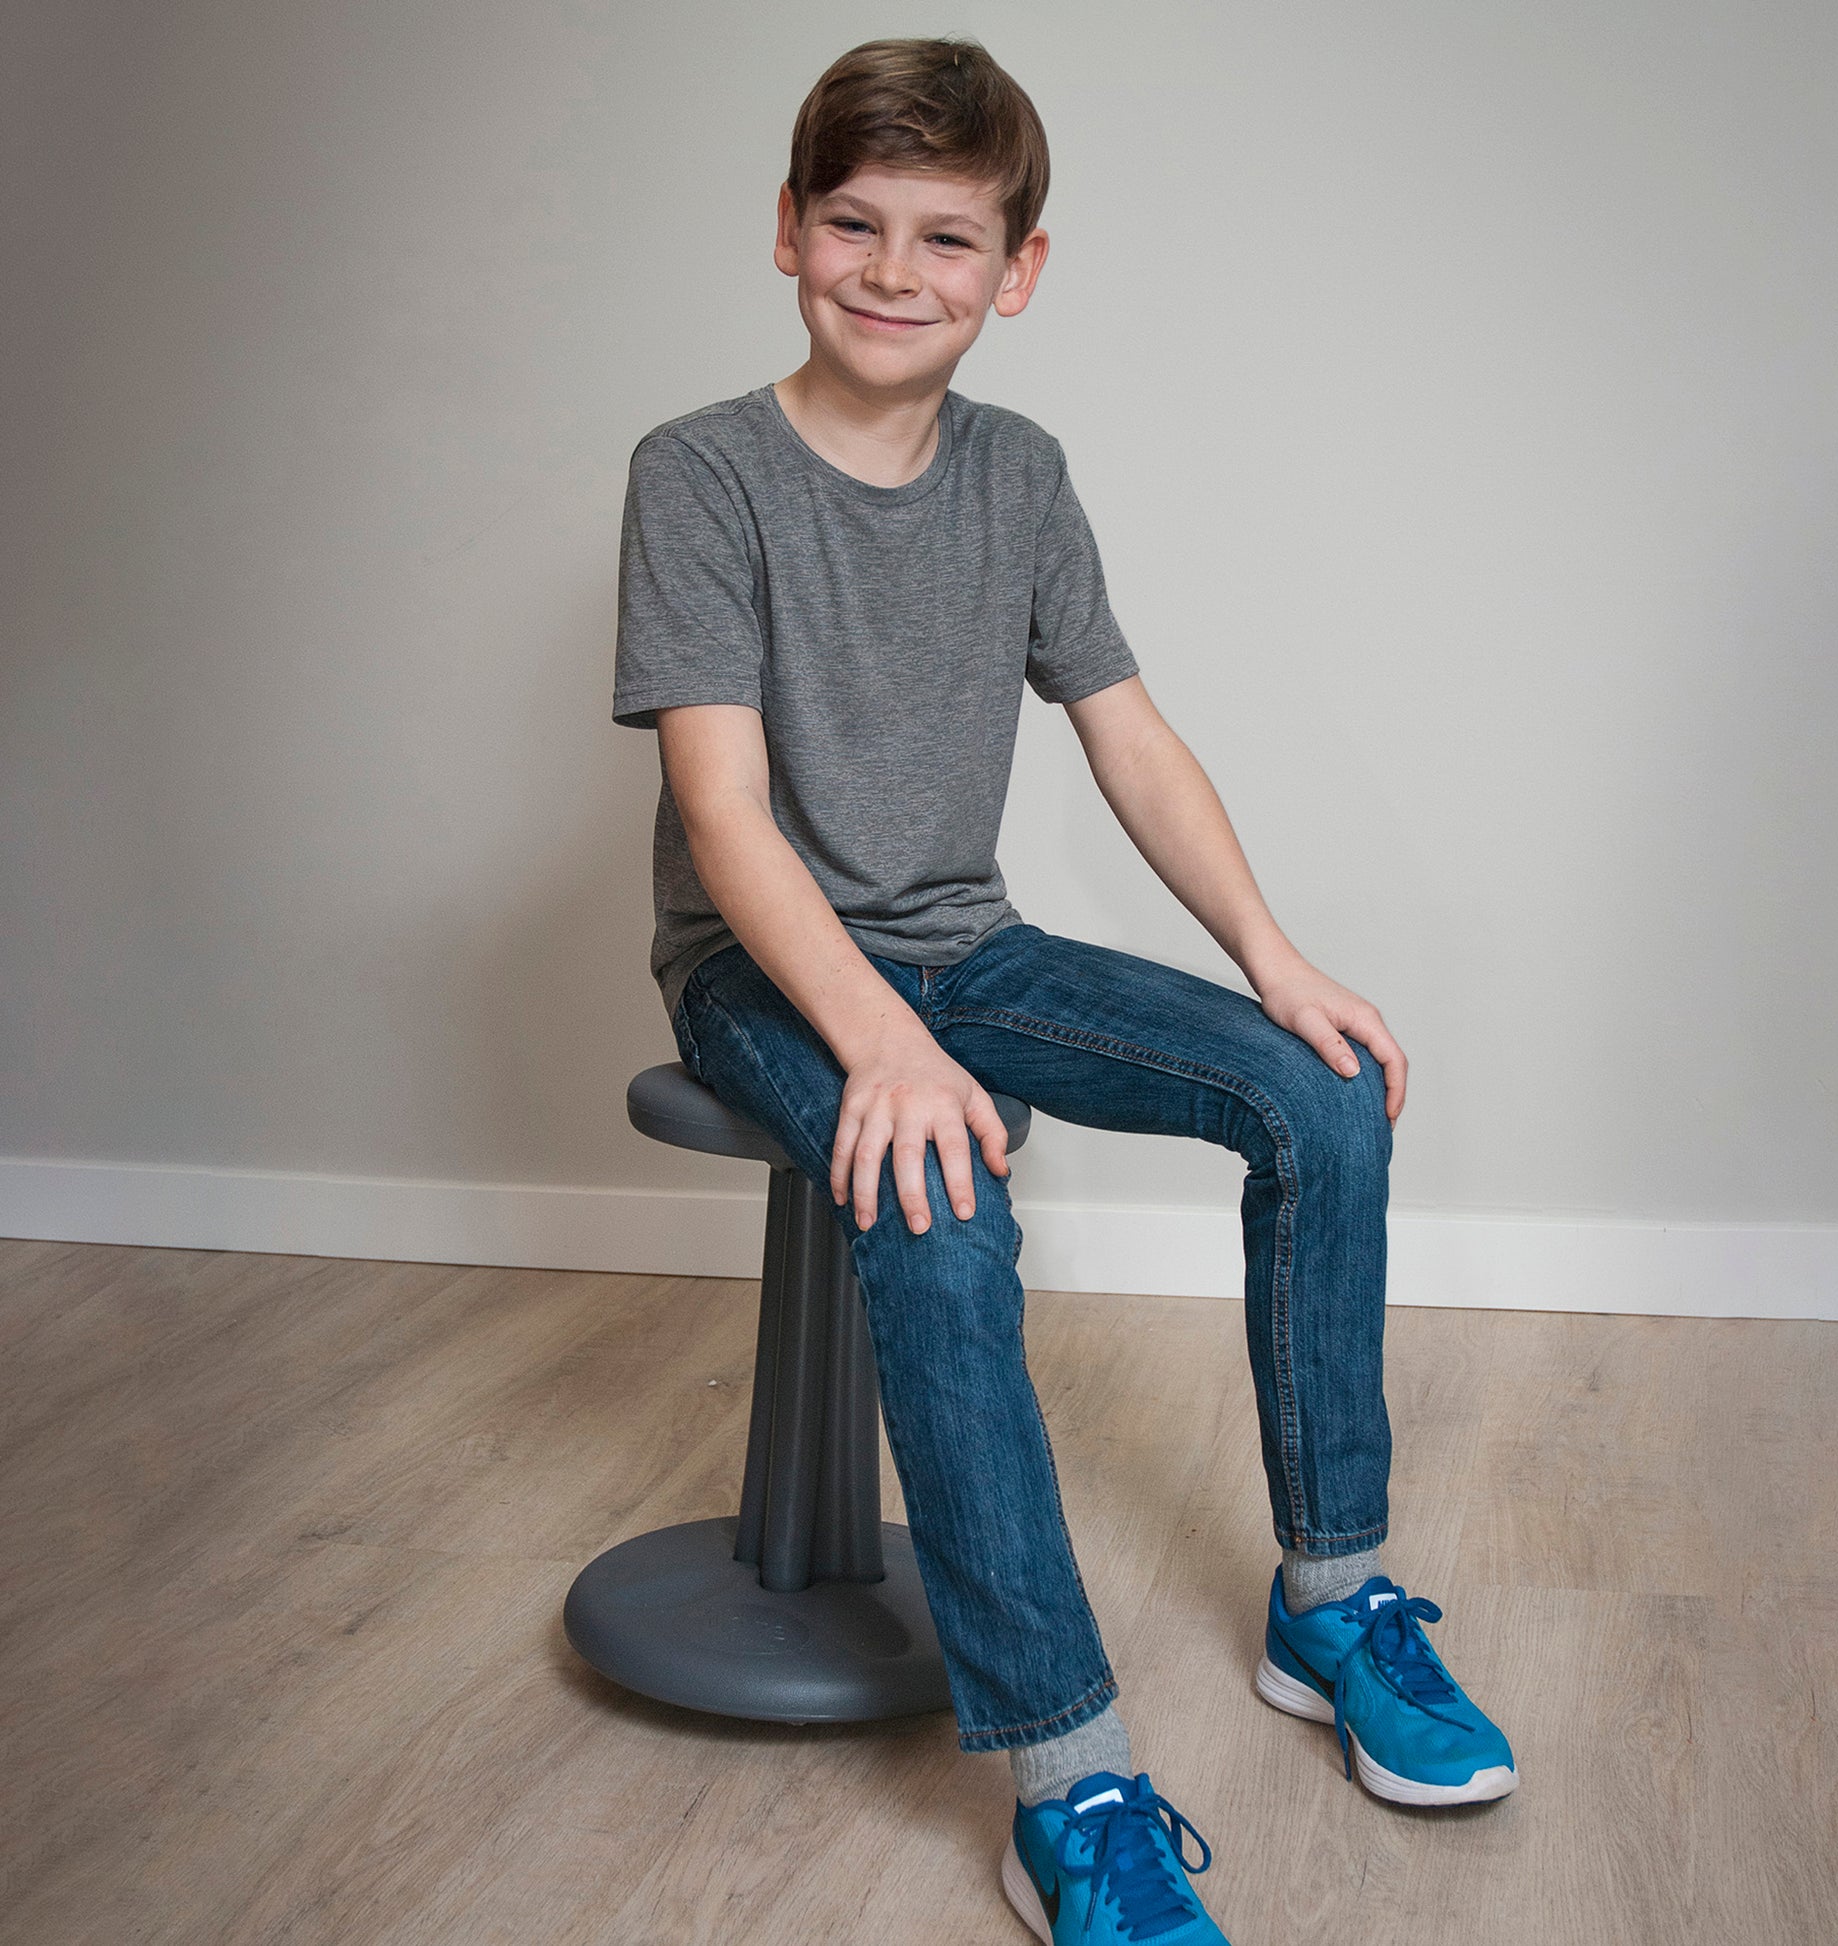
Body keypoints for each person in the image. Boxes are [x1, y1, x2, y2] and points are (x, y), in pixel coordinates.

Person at [612, 36, 1516, 1945]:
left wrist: (1272, 958)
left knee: (1316, 1094)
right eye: (852, 224)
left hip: (966, 942)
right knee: (938, 1198)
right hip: (765, 969)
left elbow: (1128, 734)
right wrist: (880, 1044)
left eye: (946, 238)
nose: (892, 270)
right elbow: (723, 808)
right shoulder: (698, 472)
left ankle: (1329, 1601)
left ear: (1015, 270)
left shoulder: (1019, 475)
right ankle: (1069, 1780)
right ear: (785, 231)